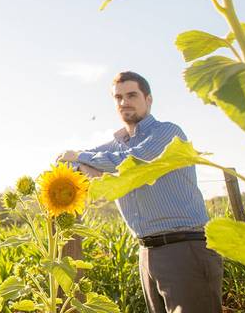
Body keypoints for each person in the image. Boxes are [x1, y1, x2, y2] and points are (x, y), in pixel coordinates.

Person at [57, 71, 222, 313]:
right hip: (147, 252)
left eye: (132, 95)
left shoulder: (167, 133)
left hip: (184, 247)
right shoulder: (113, 146)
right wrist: (82, 164)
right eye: (118, 97)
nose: (124, 102)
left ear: (149, 99)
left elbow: (134, 159)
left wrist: (82, 158)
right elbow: (69, 165)